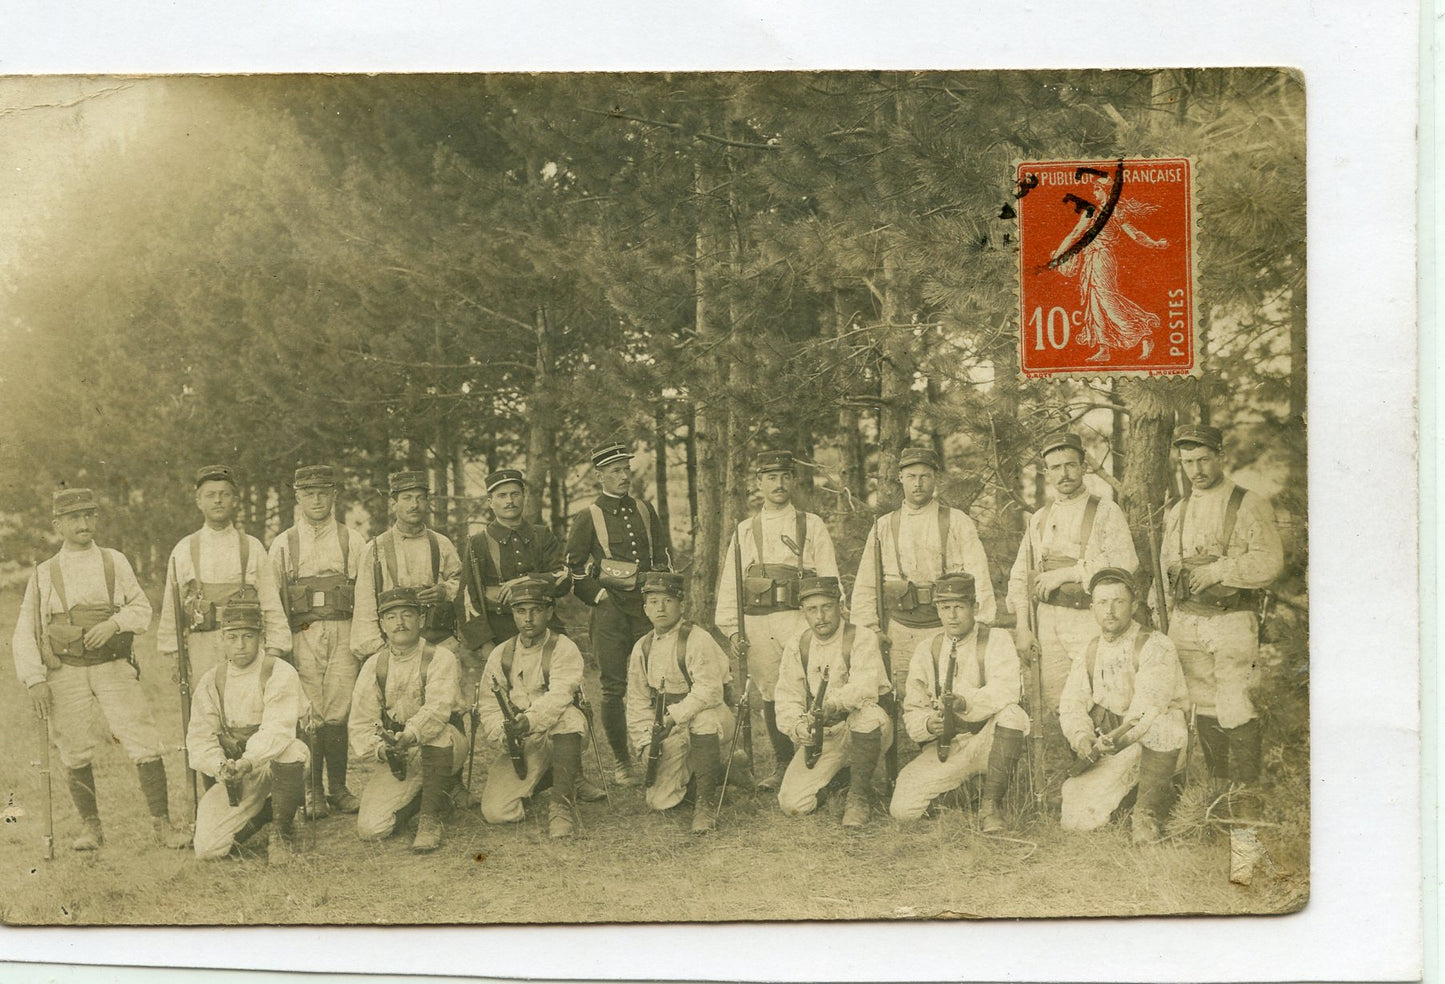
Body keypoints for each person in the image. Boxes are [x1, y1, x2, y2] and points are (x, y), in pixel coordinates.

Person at [12, 488, 190, 850]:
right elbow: (25, 631)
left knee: (143, 740)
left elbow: (142, 610)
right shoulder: (45, 573)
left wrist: (115, 624)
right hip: (66, 671)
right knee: (74, 748)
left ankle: (162, 824)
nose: (83, 524)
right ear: (57, 524)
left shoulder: (114, 561)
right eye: (74, 518)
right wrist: (34, 680)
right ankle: (90, 828)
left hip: (113, 666)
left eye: (89, 516)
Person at [1159, 423, 1284, 881]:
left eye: (1203, 460)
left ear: (1220, 454)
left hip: (1232, 620)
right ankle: (1216, 807)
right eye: (1187, 463)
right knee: (1203, 707)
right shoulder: (1177, 510)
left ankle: (1247, 823)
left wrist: (1218, 571)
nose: (1196, 470)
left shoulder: (1248, 502)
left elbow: (1269, 563)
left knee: (1235, 705)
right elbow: (1164, 566)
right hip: (1186, 622)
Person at [1007, 432, 1138, 796]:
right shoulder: (1038, 518)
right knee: (1058, 700)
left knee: (1101, 695)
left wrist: (1066, 573)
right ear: (1046, 473)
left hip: (1090, 619)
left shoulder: (1106, 510)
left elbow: (1124, 563)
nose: (1063, 474)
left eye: (1070, 465)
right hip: (1047, 621)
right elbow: (1020, 575)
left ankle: (1114, 781)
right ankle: (1078, 774)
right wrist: (1022, 626)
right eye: (1055, 468)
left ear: (1083, 466)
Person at [714, 450, 839, 792]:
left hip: (800, 618)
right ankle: (784, 762)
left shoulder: (810, 524)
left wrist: (827, 620)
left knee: (810, 685)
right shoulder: (745, 530)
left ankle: (820, 760)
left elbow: (829, 576)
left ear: (794, 480)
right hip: (757, 622)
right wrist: (732, 629)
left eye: (785, 476)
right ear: (759, 483)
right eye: (771, 477)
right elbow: (731, 583)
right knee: (771, 691)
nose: (779, 484)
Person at [850, 447, 996, 725]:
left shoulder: (957, 521)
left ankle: (952, 745)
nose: (918, 483)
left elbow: (980, 575)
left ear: (935, 479)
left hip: (945, 624)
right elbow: (867, 584)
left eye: (925, 476)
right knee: (907, 692)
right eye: (911, 476)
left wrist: (981, 623)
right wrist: (871, 630)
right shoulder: (883, 526)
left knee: (949, 687)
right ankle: (917, 745)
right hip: (901, 626)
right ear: (900, 479)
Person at [566, 441, 672, 787]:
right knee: (613, 687)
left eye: (626, 469)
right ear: (600, 476)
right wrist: (598, 597)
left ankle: (659, 751)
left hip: (647, 609)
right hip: (610, 612)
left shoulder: (644, 510)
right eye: (615, 471)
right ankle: (623, 761)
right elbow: (574, 569)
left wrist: (660, 597)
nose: (624, 476)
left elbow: (661, 558)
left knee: (658, 680)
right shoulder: (589, 515)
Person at [1058, 568, 1189, 844]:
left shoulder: (1156, 645)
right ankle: (1128, 800)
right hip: (1110, 745)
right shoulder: (1090, 649)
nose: (1110, 611)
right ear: (1092, 608)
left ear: (1134, 605)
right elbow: (1071, 703)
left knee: (1166, 723)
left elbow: (1147, 707)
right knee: (1077, 817)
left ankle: (1147, 814)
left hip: (1153, 741)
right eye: (1103, 603)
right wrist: (1082, 738)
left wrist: (1120, 739)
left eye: (1118, 601)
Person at [888, 572, 1028, 831]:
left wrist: (965, 703)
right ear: (937, 610)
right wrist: (930, 724)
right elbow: (913, 709)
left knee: (1012, 714)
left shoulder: (996, 639)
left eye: (959, 607)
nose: (952, 615)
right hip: (948, 746)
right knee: (903, 810)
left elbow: (1008, 689)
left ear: (974, 607)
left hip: (987, 738)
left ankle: (990, 806)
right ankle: (970, 792)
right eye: (945, 608)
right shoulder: (927, 649)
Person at [267, 465, 369, 817]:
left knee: (338, 710)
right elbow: (273, 598)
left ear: (334, 495)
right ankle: (313, 792)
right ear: (297, 497)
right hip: (303, 633)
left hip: (343, 630)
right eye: (308, 492)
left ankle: (338, 788)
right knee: (310, 711)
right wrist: (279, 646)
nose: (316, 499)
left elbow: (367, 593)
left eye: (323, 491)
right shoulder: (283, 544)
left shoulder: (352, 540)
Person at [187, 603, 309, 862]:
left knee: (292, 750)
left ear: (261, 638)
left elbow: (278, 729)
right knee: (208, 850)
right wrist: (220, 766)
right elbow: (200, 736)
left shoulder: (279, 672)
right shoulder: (212, 680)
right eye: (232, 637)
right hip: (236, 773)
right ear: (222, 640)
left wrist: (248, 761)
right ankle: (265, 812)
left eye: (248, 636)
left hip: (269, 763)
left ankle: (282, 830)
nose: (240, 644)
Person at [349, 588, 468, 852]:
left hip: (443, 745)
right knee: (372, 829)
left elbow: (437, 711)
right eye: (391, 617)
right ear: (382, 624)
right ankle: (435, 795)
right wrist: (382, 748)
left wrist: (411, 734)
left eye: (407, 614)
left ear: (421, 620)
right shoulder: (373, 665)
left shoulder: (441, 657)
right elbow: (360, 723)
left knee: (437, 732)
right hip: (400, 753)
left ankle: (430, 818)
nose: (399, 622)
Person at [772, 576, 891, 828]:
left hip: (860, 726)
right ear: (803, 612)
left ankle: (858, 798)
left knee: (868, 714)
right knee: (793, 805)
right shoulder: (798, 645)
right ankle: (842, 783)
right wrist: (798, 727)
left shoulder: (861, 637)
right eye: (812, 609)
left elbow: (865, 687)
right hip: (824, 733)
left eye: (826, 607)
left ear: (840, 605)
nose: (820, 616)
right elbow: (786, 697)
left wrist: (833, 704)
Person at [158, 464, 290, 689]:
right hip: (202, 645)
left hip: (245, 644)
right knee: (206, 707)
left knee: (249, 709)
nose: (218, 500)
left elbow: (271, 604)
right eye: (210, 495)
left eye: (224, 494)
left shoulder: (252, 547)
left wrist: (275, 650)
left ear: (235, 500)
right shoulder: (184, 549)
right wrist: (174, 655)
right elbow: (172, 608)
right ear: (199, 501)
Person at [477, 580, 589, 839]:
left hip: (554, 730)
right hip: (522, 738)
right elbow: (488, 704)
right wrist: (503, 732)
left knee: (569, 718)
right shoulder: (501, 653)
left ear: (549, 612)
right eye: (520, 611)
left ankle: (561, 806)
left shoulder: (563, 647)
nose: (528, 618)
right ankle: (556, 775)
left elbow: (561, 695)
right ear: (513, 614)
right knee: (497, 812)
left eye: (536, 610)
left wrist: (529, 720)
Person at [624, 572, 734, 834]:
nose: (660, 608)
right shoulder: (643, 646)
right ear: (645, 608)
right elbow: (637, 699)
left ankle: (705, 805)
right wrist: (643, 742)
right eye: (653, 602)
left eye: (668, 600)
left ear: (681, 605)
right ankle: (721, 770)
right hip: (668, 726)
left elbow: (709, 691)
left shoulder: (697, 638)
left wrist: (673, 717)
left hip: (712, 716)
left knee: (702, 718)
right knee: (660, 801)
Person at [1051, 165, 1170, 362]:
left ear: (1105, 191)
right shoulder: (1091, 211)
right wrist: (1058, 254)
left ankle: (1143, 333)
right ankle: (1103, 348)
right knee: (1094, 302)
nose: (1093, 192)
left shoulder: (1115, 211)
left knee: (1107, 299)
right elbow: (1074, 234)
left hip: (1103, 258)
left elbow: (1135, 234)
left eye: (1097, 188)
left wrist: (1155, 244)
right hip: (1090, 259)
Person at [458, 467, 570, 667]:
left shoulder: (541, 535)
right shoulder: (479, 542)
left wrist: (525, 581)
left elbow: (563, 578)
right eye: (501, 495)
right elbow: (467, 596)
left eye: (515, 494)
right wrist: (484, 642)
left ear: (524, 497)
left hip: (544, 624)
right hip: (499, 629)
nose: (509, 501)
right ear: (490, 502)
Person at [351, 470, 463, 660]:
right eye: (407, 498)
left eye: (420, 498)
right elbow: (365, 605)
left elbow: (463, 584)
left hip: (439, 645)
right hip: (392, 648)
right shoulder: (375, 549)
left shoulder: (441, 543)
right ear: (393, 504)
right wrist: (378, 651)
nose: (414, 505)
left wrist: (445, 590)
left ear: (427, 503)